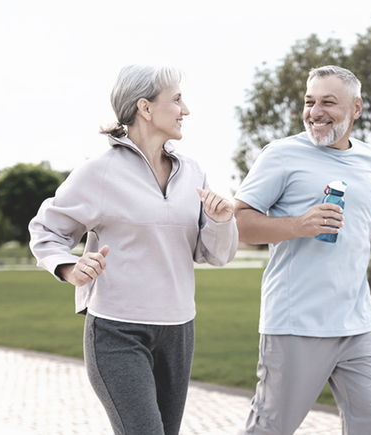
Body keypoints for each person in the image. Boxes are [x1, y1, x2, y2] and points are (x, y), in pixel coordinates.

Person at [28, 64, 238, 435]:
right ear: (145, 107)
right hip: (118, 332)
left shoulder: (193, 173)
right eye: (176, 99)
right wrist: (69, 268)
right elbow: (46, 229)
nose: (186, 110)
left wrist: (221, 222)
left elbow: (215, 255)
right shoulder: (99, 172)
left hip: (179, 331)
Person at [233, 65, 371, 435]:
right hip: (297, 322)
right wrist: (298, 225)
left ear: (356, 108)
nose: (315, 112)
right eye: (310, 102)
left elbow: (363, 208)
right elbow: (238, 221)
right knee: (271, 428)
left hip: (357, 322)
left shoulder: (368, 158)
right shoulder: (281, 155)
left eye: (328, 102)